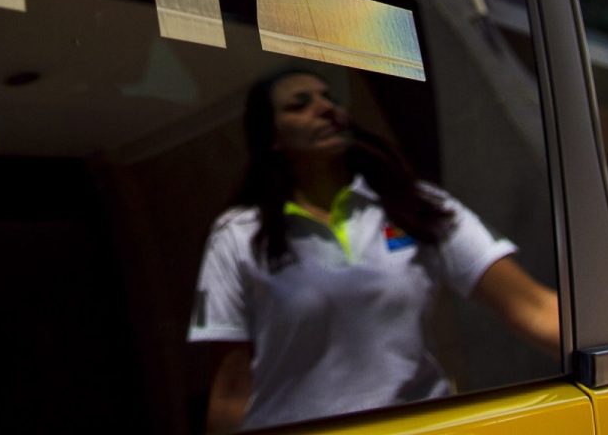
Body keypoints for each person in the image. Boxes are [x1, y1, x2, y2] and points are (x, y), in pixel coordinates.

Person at [188, 69, 561, 432]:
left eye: (329, 98)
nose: (325, 107)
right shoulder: (238, 236)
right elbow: (232, 390)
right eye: (300, 104)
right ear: (272, 137)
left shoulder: (418, 207)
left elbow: (535, 309)